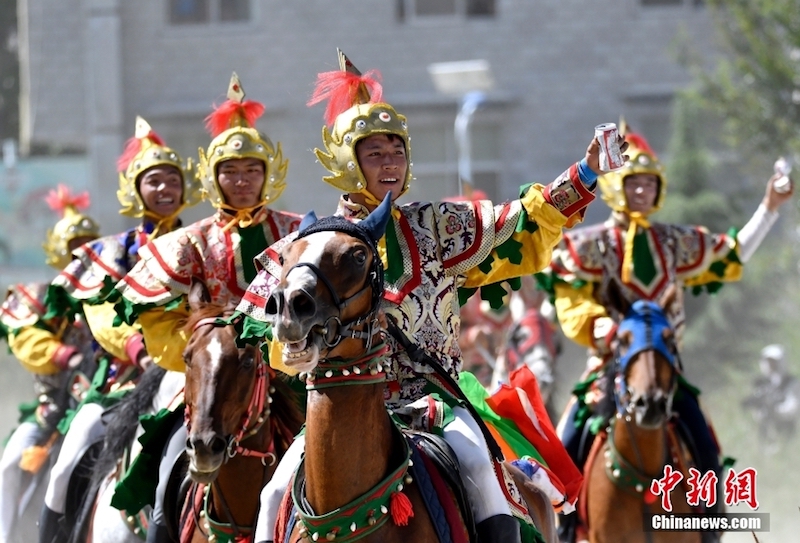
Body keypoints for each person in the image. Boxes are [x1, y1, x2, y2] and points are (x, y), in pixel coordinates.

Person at [235, 50, 617, 543]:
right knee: (271, 499)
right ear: (348, 163)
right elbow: (263, 331)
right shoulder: (308, 247)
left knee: (483, 475)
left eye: (397, 152)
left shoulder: (435, 224)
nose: (390, 163)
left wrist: (585, 174)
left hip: (435, 403)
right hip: (336, 409)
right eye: (375, 153)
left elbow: (518, 221)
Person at [543, 124, 793, 542]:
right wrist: (596, 322)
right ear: (617, 187)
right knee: (567, 441)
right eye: (634, 184)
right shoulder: (589, 246)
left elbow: (729, 254)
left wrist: (769, 207)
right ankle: (564, 524)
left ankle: (710, 522)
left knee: (704, 441)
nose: (642, 192)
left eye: (649, 184)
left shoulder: (673, 242)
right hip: (608, 368)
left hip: (664, 370)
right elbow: (566, 296)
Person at [111, 73, 301, 543]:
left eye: (251, 170)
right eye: (231, 171)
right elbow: (150, 313)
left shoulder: (298, 234)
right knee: (172, 452)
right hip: (211, 371)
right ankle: (162, 528)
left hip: (290, 368)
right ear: (214, 177)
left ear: (268, 174)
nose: (241, 181)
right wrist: (198, 347)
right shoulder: (190, 240)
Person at [37, 117, 202, 543]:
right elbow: (102, 314)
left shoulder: (202, 243)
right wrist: (137, 348)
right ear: (135, 190)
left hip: (195, 371)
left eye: (172, 180)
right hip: (124, 381)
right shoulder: (111, 252)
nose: (165, 189)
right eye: (154, 181)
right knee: (68, 460)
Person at [0, 186, 99, 543]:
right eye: (73, 245)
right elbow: (25, 341)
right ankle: (7, 536)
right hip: (52, 411)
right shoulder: (36, 296)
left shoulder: (108, 292)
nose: (80, 253)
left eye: (88, 244)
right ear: (56, 251)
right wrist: (64, 354)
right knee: (10, 464)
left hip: (104, 400)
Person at [742, 344, 800, 448]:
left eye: (773, 362)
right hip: (766, 432)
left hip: (786, 430)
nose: (770, 365)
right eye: (768, 362)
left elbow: (793, 409)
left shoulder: (792, 383)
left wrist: (774, 409)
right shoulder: (762, 385)